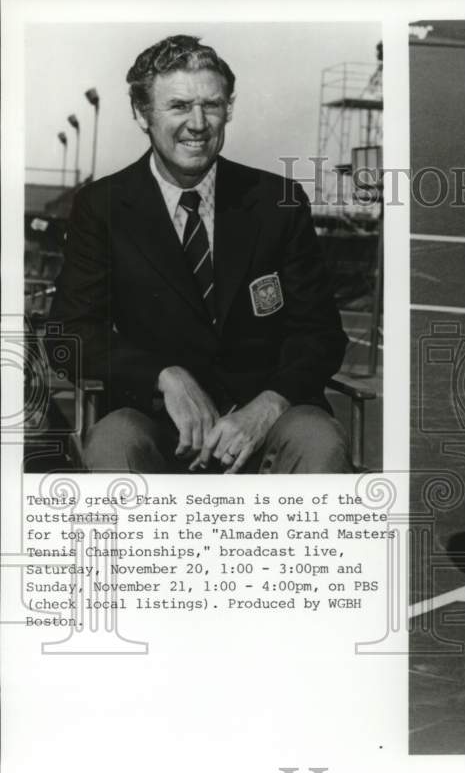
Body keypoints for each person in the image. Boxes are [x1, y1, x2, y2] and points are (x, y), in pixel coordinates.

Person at [51, 35, 351, 474]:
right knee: (114, 443)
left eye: (211, 105)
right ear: (141, 113)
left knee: (319, 439)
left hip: (266, 420)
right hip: (158, 422)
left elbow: (321, 332)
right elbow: (67, 334)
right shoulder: (103, 206)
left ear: (228, 108)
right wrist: (164, 377)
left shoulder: (276, 201)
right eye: (178, 106)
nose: (198, 123)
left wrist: (267, 406)